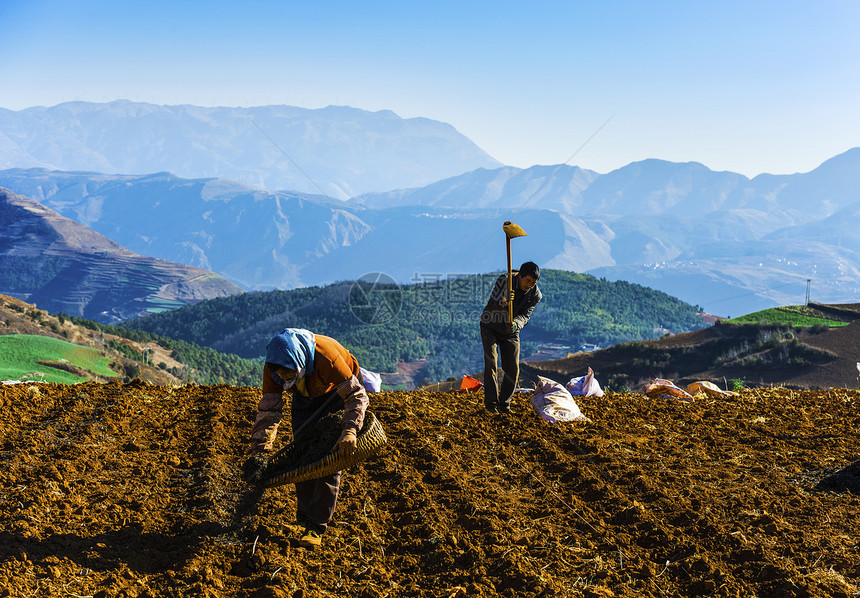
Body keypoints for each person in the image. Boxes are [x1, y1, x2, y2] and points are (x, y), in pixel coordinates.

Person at [246, 328, 369, 548]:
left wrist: (349, 430)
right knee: (302, 452)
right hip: (304, 393)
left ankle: (316, 526)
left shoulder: (327, 359)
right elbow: (269, 412)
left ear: (299, 364)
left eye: (289, 375)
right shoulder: (274, 369)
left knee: (327, 458)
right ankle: (303, 519)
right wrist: (260, 451)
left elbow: (356, 396)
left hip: (336, 393)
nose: (285, 381)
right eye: (282, 378)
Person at [479, 261, 542, 414]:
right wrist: (504, 300)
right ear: (519, 276)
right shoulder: (504, 281)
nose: (530, 285)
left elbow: (525, 315)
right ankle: (491, 406)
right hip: (490, 326)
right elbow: (492, 304)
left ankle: (504, 405)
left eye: (533, 283)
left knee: (513, 369)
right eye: (528, 281)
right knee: (491, 365)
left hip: (511, 331)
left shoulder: (535, 295)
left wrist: (517, 323)